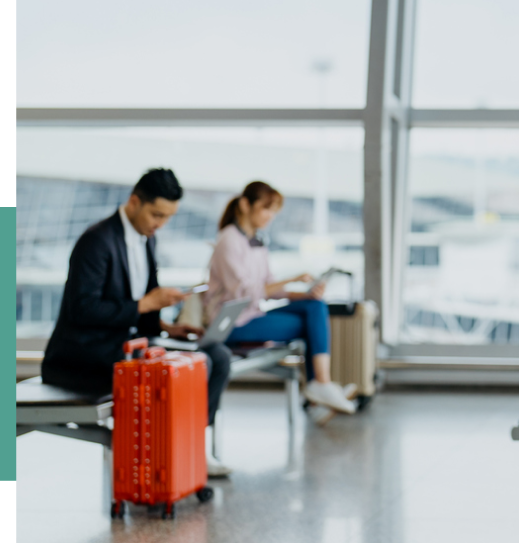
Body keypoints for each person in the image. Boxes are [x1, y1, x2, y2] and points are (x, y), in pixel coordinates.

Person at [43, 168, 234, 477]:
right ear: (134, 202)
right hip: (83, 355)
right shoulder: (96, 241)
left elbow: (141, 303)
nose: (160, 224)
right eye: (156, 214)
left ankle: (193, 444)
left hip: (127, 343)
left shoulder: (147, 240)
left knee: (218, 356)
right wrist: (146, 304)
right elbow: (83, 310)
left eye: (168, 217)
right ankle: (174, 453)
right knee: (194, 365)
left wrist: (168, 328)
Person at [204, 181, 356, 415]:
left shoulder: (257, 241)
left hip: (252, 314)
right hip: (232, 324)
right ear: (245, 205)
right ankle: (319, 390)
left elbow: (269, 288)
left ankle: (320, 389)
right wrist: (292, 278)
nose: (271, 216)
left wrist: (303, 293)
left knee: (314, 305)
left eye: (274, 211)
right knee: (310, 323)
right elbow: (244, 291)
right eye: (267, 208)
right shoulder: (229, 240)